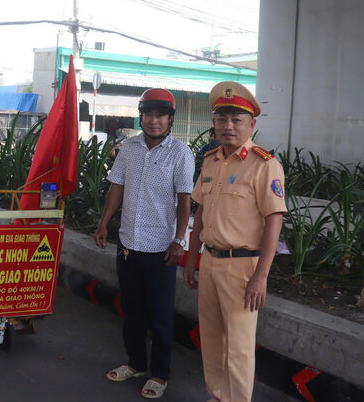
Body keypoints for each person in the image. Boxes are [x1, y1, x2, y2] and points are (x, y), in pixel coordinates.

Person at [183, 81, 287, 402]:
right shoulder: (211, 160)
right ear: (213, 123)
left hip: (243, 268)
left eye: (236, 120)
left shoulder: (264, 165)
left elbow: (274, 220)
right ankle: (217, 395)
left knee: (239, 347)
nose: (228, 126)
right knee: (212, 339)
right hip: (211, 262)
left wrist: (261, 276)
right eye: (222, 119)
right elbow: (200, 210)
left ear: (251, 124)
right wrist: (191, 256)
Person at [94, 88, 194, 400]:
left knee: (161, 316)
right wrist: (103, 222)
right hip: (128, 245)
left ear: (170, 119)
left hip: (161, 249)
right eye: (148, 114)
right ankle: (136, 363)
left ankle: (160, 374)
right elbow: (117, 186)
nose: (153, 121)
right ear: (142, 116)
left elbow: (184, 200)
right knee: (132, 312)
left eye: (160, 115)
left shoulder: (181, 153)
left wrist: (180, 240)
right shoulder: (129, 148)